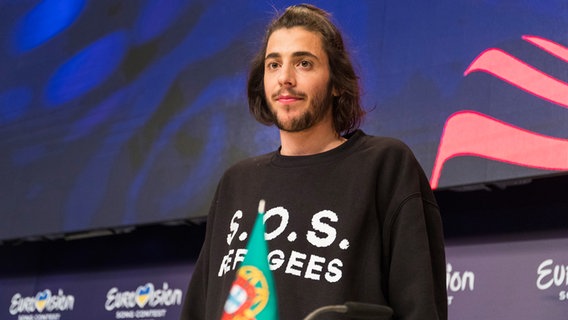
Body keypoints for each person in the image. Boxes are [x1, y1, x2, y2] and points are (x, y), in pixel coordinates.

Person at [181, 4, 447, 320]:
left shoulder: (385, 166)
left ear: (337, 83)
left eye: (304, 63)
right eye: (273, 65)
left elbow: (419, 307)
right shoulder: (236, 182)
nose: (285, 79)